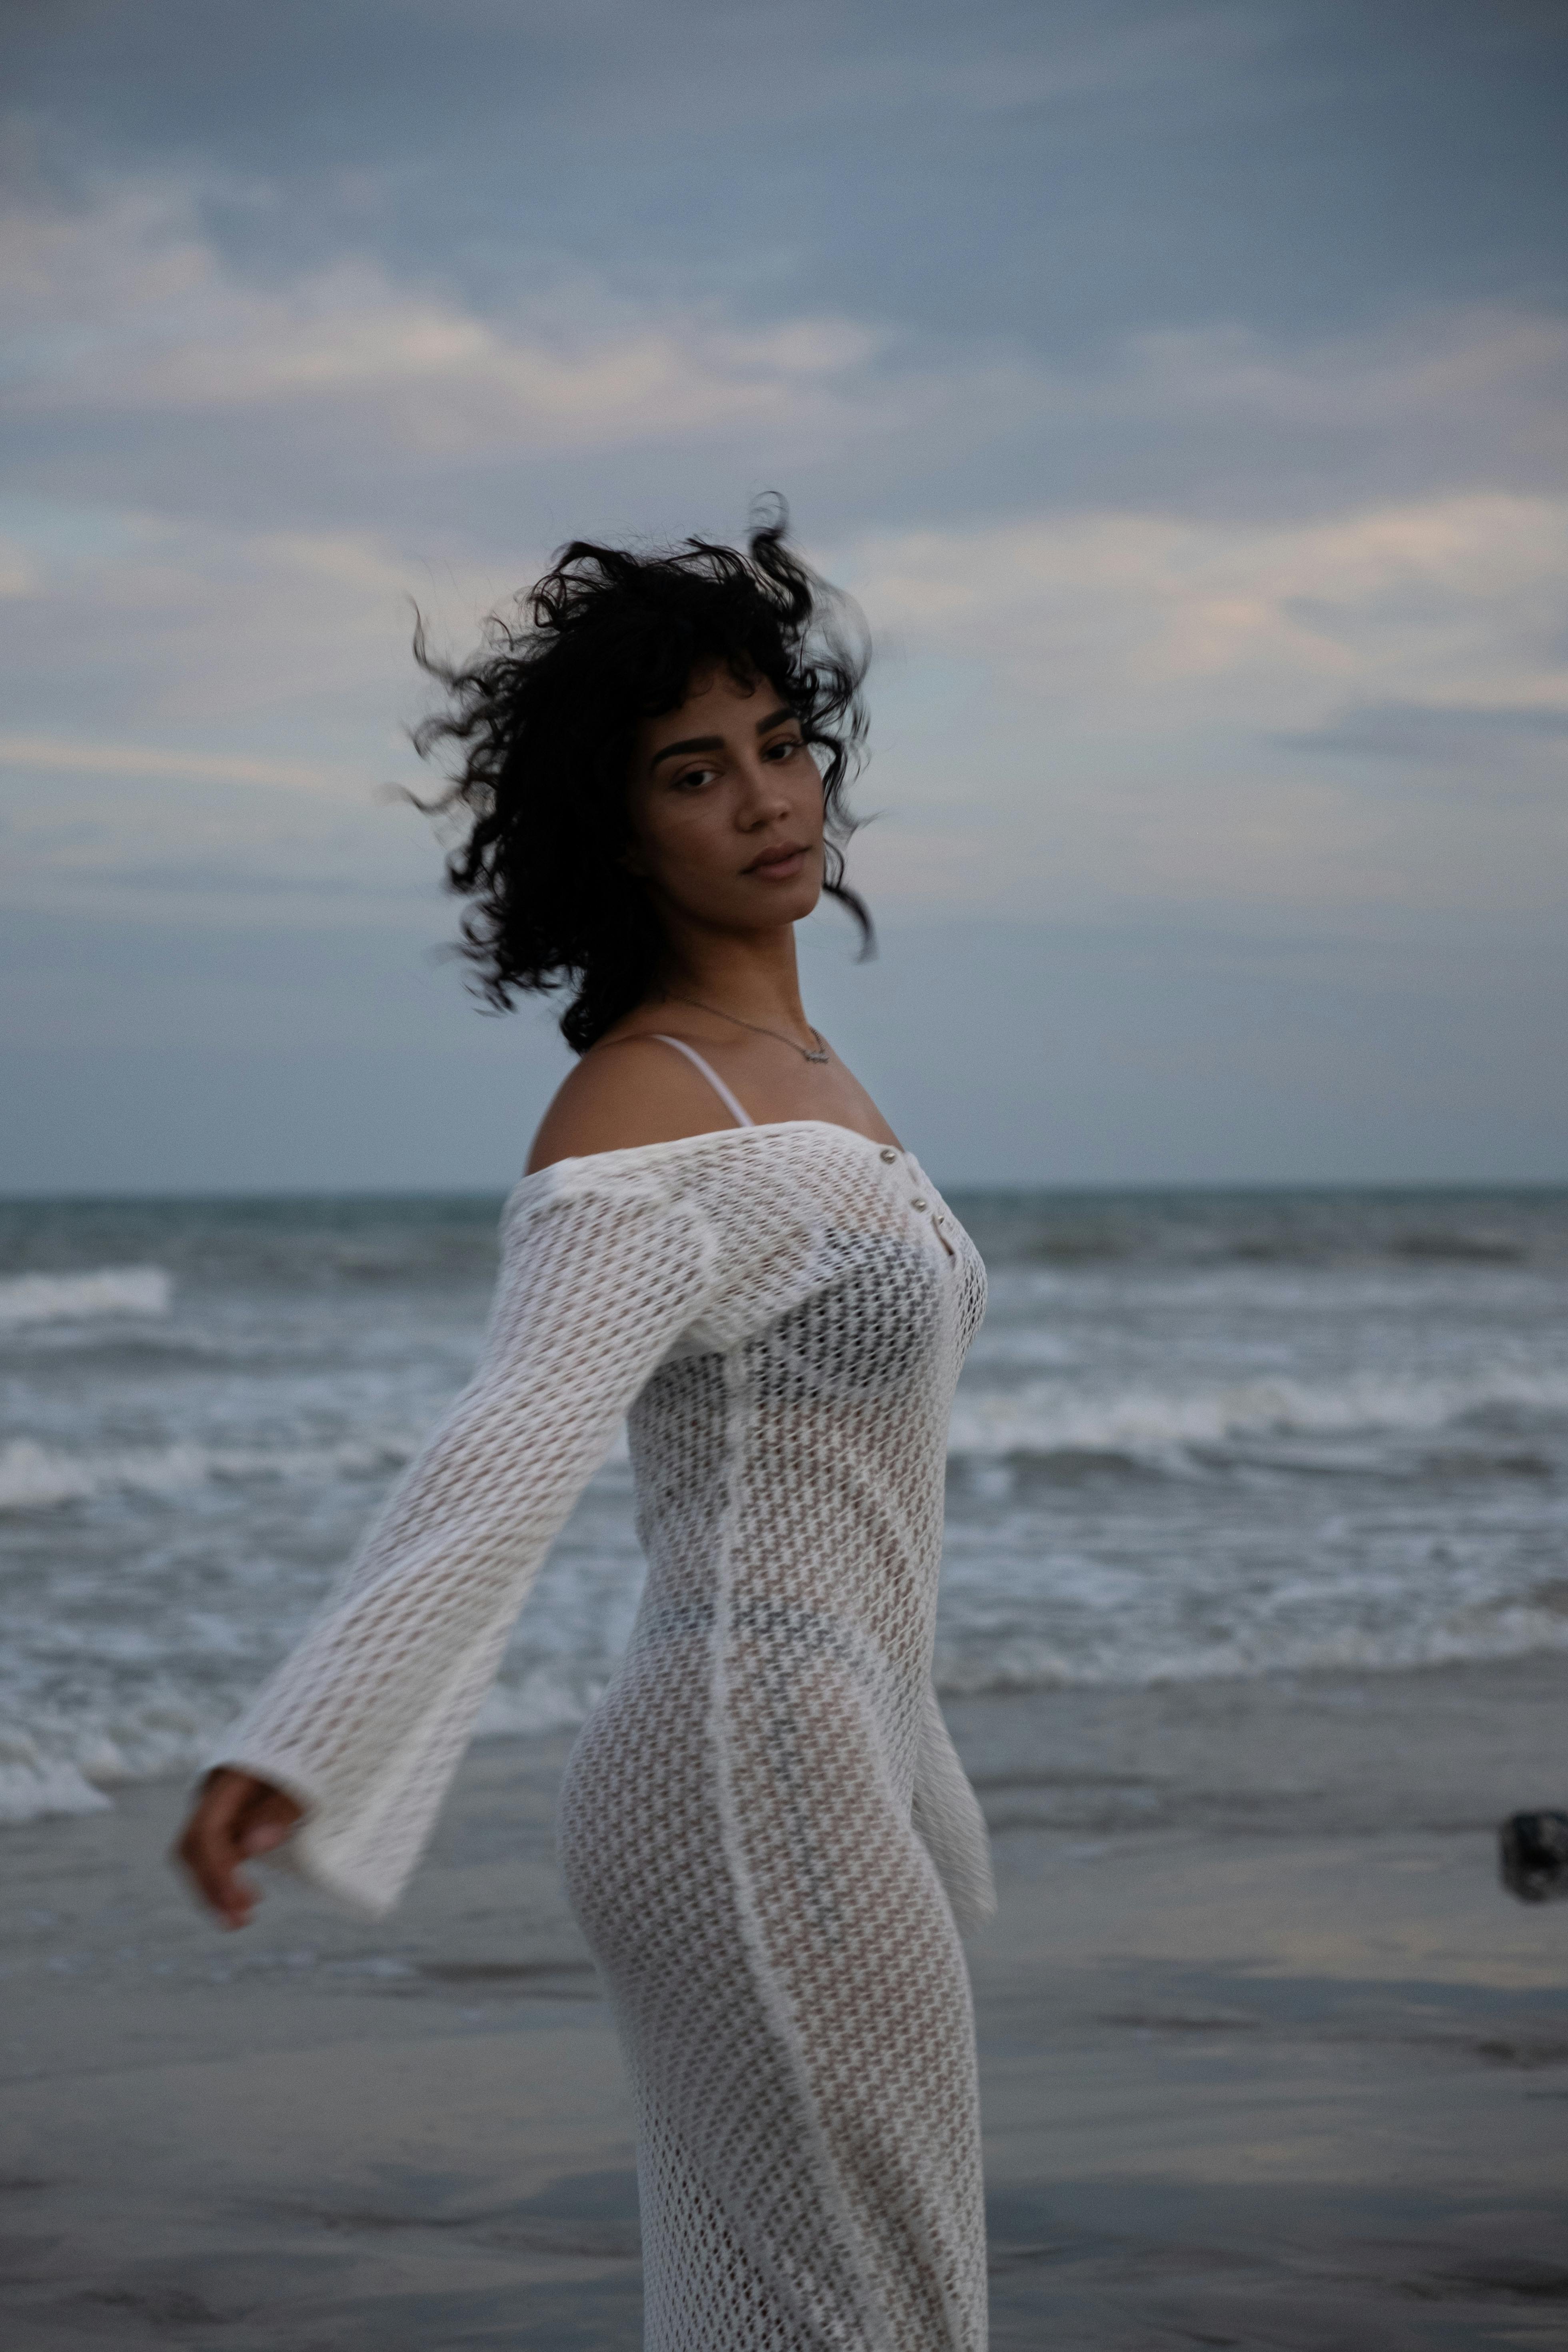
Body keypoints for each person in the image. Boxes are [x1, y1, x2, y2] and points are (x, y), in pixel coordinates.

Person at [174, 507, 996, 2352]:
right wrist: (301, 1737)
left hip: (818, 1755)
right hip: (747, 1762)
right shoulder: (644, 1106)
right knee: (879, 2319)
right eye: (697, 774)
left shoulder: (813, 1082)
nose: (768, 798)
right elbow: (511, 1442)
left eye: (783, 745)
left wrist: (919, 1779)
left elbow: (866, 1509)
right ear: (620, 832)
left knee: (797, 2312)